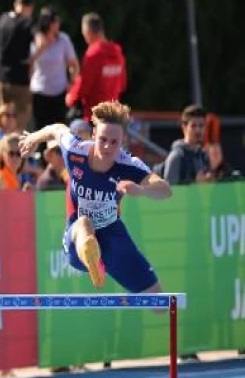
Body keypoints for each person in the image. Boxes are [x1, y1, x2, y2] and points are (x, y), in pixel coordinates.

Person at [19, 101, 172, 291]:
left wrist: (141, 190)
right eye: (103, 140)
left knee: (158, 301)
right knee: (84, 222)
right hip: (78, 238)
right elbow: (56, 129)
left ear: (123, 140)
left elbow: (165, 190)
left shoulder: (129, 165)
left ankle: (101, 259)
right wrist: (33, 137)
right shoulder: (75, 151)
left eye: (114, 142)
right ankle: (94, 262)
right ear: (93, 135)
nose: (107, 147)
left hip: (112, 233)